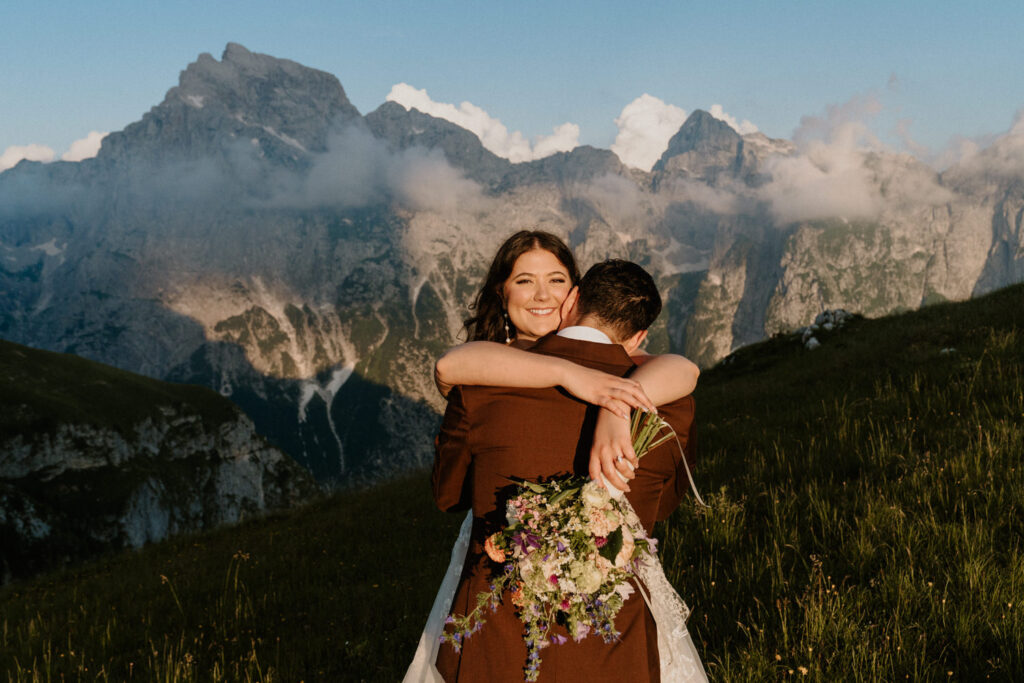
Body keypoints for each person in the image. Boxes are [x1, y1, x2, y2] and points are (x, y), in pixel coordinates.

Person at [427, 259, 707, 681]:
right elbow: (662, 508)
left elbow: (449, 495)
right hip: (615, 651)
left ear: (572, 299)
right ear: (639, 337)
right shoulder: (672, 405)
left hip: (494, 648)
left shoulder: (483, 385)